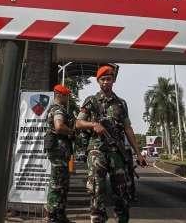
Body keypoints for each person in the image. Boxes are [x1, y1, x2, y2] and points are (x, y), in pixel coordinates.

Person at [75, 65, 146, 223]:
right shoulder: (91, 101)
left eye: (109, 79)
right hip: (96, 149)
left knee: (121, 190)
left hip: (116, 151)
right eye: (103, 79)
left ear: (113, 80)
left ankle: (121, 218)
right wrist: (93, 125)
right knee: (96, 188)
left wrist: (138, 153)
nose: (106, 82)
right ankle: (97, 218)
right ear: (98, 81)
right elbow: (78, 123)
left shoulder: (121, 103)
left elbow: (128, 128)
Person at [45, 84, 76, 223]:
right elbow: (59, 127)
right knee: (57, 184)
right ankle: (52, 216)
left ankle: (60, 216)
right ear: (60, 95)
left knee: (62, 183)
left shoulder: (56, 108)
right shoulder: (58, 109)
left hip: (60, 151)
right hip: (59, 150)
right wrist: (72, 132)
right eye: (67, 95)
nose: (68, 98)